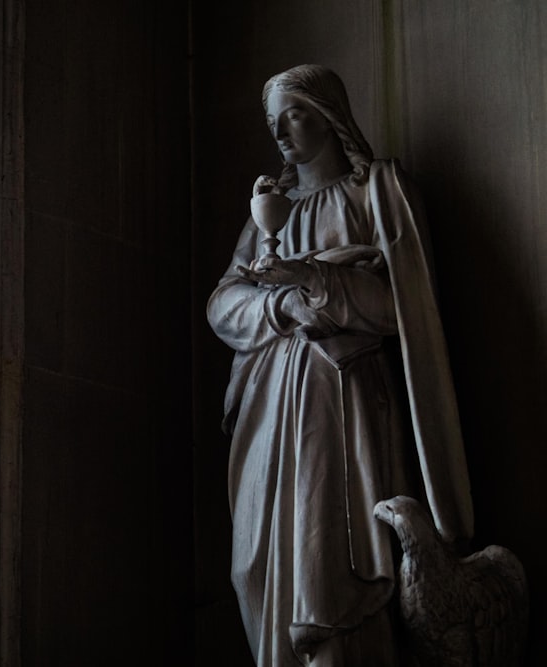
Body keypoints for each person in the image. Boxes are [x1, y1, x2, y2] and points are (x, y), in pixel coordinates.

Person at [206, 65, 473, 666]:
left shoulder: (376, 190)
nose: (280, 132)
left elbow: (406, 307)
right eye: (273, 121)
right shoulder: (265, 214)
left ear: (328, 114)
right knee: (258, 560)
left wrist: (317, 277)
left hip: (341, 396)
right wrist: (282, 302)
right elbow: (223, 305)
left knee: (327, 559)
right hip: (269, 404)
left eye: (294, 113)